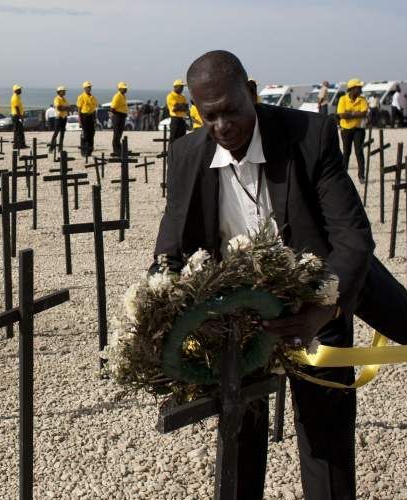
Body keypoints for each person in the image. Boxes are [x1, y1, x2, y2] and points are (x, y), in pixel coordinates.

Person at [152, 49, 393, 500]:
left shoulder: (311, 136)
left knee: (326, 437)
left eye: (230, 111)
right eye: (209, 117)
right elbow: (170, 249)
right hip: (238, 321)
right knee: (240, 433)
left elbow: (353, 237)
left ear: (251, 93)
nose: (223, 127)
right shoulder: (186, 155)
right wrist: (164, 308)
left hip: (318, 304)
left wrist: (322, 309)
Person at [337, 79, 368, 183]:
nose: (360, 89)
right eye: (359, 87)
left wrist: (350, 114)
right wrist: (356, 113)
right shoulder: (343, 99)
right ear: (352, 89)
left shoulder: (362, 100)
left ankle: (361, 175)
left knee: (359, 151)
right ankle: (344, 174)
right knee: (346, 152)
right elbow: (341, 115)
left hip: (359, 129)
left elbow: (364, 114)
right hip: (346, 129)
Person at [76, 81, 98, 157]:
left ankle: (90, 150)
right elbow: (79, 110)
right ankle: (84, 151)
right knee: (85, 134)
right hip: (84, 116)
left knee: (92, 133)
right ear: (84, 88)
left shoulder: (93, 97)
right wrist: (79, 120)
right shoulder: (81, 97)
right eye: (88, 87)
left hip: (91, 116)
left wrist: (95, 119)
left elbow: (94, 109)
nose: (89, 88)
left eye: (90, 87)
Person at [110, 82, 129, 156]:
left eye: (126, 88)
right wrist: (118, 115)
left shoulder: (123, 96)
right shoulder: (117, 96)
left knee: (119, 134)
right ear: (120, 89)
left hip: (122, 116)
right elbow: (112, 108)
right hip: (118, 116)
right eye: (124, 88)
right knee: (116, 134)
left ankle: (119, 149)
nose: (125, 89)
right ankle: (116, 150)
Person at [49, 86, 69, 152]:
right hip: (58, 118)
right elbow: (58, 108)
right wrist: (65, 108)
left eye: (64, 91)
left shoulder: (64, 99)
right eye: (63, 91)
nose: (64, 92)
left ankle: (60, 148)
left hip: (64, 118)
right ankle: (51, 147)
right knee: (56, 133)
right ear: (59, 92)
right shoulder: (56, 99)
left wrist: (64, 107)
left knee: (62, 133)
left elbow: (68, 107)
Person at [10, 84, 27, 149]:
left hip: (18, 115)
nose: (20, 90)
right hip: (16, 115)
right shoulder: (15, 97)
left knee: (21, 131)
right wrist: (20, 117)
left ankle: (22, 144)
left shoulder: (17, 96)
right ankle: (16, 145)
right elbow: (16, 108)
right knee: (17, 131)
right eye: (19, 89)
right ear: (16, 90)